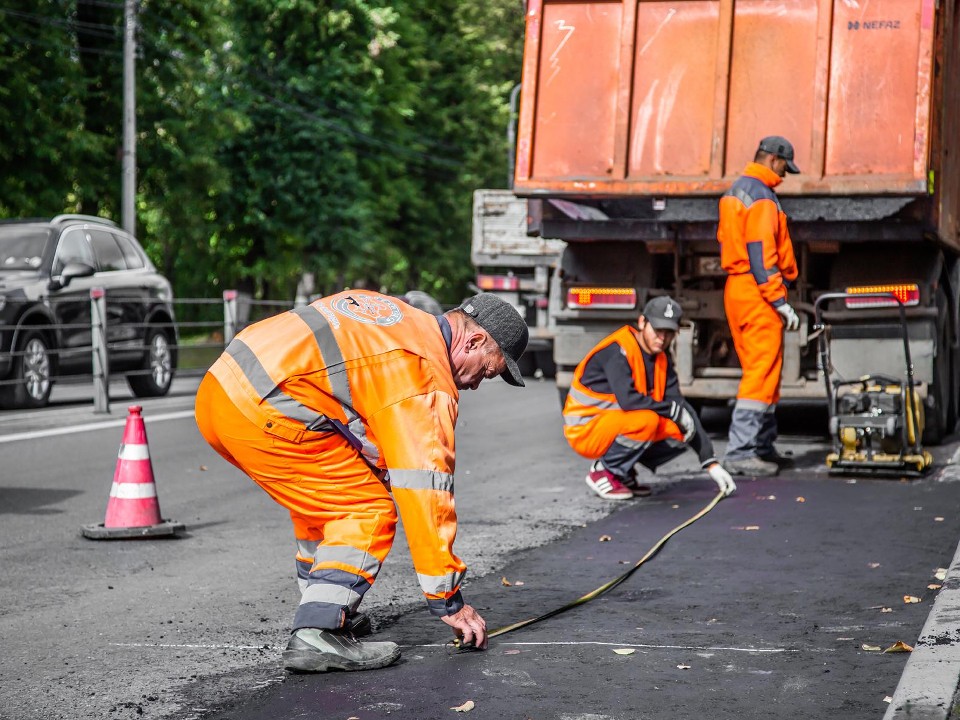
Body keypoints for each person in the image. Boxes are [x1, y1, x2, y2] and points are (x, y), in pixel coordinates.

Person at [194, 290, 528, 673]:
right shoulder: (426, 373)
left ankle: (326, 607)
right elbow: (426, 492)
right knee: (366, 510)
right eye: (487, 370)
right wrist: (449, 600)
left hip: (221, 390)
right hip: (267, 408)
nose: (476, 385)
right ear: (474, 340)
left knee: (325, 503)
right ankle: (317, 633)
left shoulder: (401, 320)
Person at [562, 296, 736, 501]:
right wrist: (672, 411)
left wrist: (710, 462)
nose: (662, 338)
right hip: (586, 429)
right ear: (642, 322)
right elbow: (629, 401)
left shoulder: (661, 358)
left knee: (681, 427)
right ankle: (605, 470)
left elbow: (680, 406)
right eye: (657, 330)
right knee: (648, 420)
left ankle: (623, 472)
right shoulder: (619, 350)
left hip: (614, 423)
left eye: (669, 333)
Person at [718, 135, 801, 476]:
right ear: (773, 160)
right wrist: (780, 301)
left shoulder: (736, 190)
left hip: (738, 290)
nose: (784, 174)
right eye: (784, 167)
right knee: (760, 372)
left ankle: (761, 446)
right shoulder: (762, 196)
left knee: (761, 369)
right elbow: (761, 253)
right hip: (757, 292)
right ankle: (741, 452)